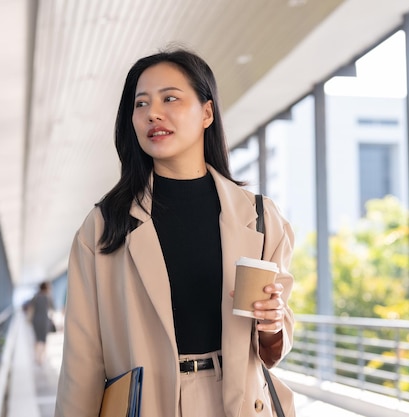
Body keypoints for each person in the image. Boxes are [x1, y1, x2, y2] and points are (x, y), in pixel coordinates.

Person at [54, 47, 296, 417]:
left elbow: (273, 346)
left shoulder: (261, 218)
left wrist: (272, 324)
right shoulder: (105, 226)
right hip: (148, 404)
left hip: (240, 403)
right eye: (141, 104)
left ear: (207, 113)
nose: (153, 113)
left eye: (170, 98)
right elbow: (82, 362)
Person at [28, 281, 55, 364]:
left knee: (36, 338)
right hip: (44, 320)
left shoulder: (35, 297)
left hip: (35, 320)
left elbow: (30, 308)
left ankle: (36, 356)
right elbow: (52, 308)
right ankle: (41, 358)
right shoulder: (48, 297)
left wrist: (29, 319)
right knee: (44, 339)